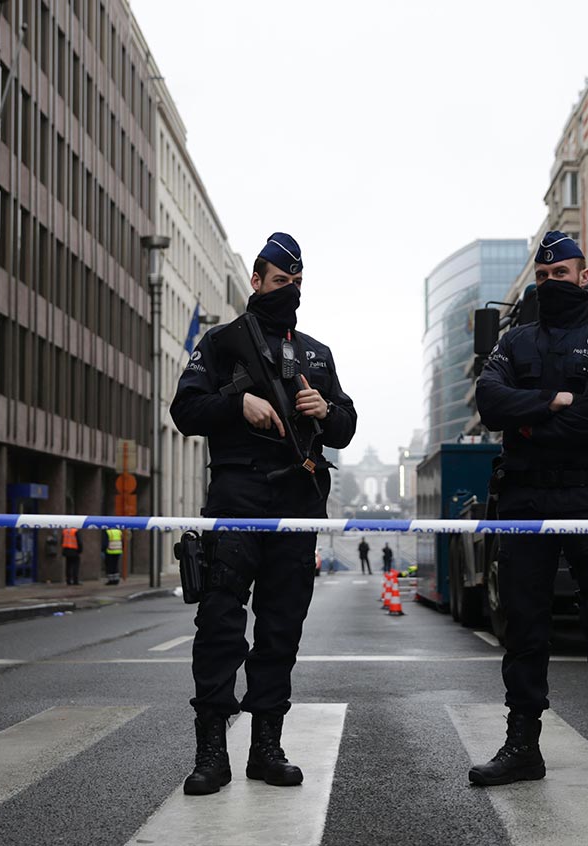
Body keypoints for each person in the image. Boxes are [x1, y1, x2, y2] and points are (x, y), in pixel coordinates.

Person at [170, 232, 357, 796]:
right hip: (237, 497)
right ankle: (210, 755)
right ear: (256, 281)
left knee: (280, 630)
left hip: (298, 503)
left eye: (296, 283)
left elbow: (345, 428)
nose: (289, 291)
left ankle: (266, 748)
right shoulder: (223, 341)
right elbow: (185, 409)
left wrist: (325, 410)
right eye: (280, 282)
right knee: (221, 625)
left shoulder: (317, 353)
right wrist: (237, 404)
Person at [469, 231, 588, 797]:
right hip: (524, 499)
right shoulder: (513, 341)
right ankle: (523, 748)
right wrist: (553, 401)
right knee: (522, 626)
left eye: (560, 275)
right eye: (542, 278)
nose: (550, 285)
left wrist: (528, 422)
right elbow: (489, 402)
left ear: (583, 276)